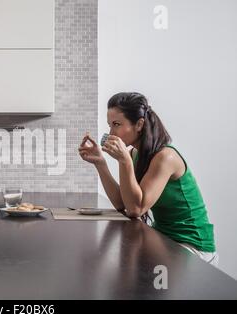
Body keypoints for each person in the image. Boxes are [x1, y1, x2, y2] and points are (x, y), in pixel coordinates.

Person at [78, 92, 217, 265]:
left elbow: (136, 209)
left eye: (116, 124)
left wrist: (125, 162)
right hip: (164, 238)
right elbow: (124, 203)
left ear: (139, 124)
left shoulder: (166, 157)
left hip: (192, 245)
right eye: (110, 125)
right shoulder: (135, 154)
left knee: (128, 262)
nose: (111, 132)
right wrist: (101, 163)